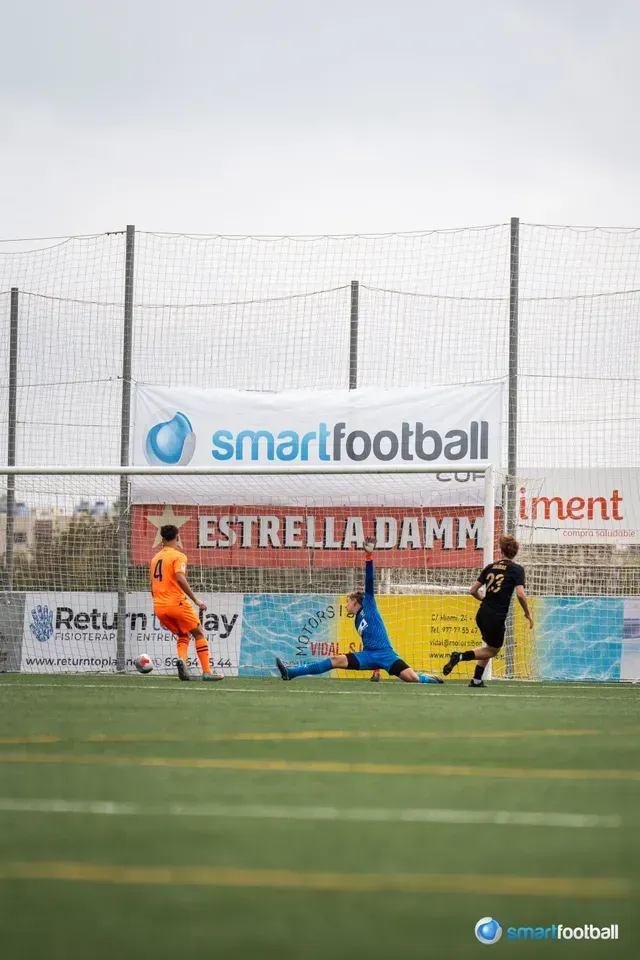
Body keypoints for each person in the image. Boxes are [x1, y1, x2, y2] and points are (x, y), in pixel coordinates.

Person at [276, 540, 443, 684]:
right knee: (335, 660)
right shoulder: (356, 620)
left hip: (385, 654)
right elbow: (370, 639)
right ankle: (291, 673)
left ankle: (428, 679)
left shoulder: (369, 604)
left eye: (348, 601)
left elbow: (369, 580)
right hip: (368, 655)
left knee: (412, 679)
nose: (346, 604)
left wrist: (368, 556)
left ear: (356, 601)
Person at [442, 533, 533, 688]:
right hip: (496, 616)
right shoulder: (517, 570)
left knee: (488, 647)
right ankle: (460, 656)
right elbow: (520, 594)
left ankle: (477, 679)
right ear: (515, 552)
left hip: (482, 613)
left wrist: (486, 600)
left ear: (501, 550)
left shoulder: (490, 567)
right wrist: (527, 613)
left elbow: (472, 590)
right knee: (493, 651)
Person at [150, 524, 223, 682]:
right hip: (177, 603)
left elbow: (152, 586)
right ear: (178, 537)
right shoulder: (178, 556)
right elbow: (180, 577)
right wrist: (196, 600)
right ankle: (207, 672)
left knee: (183, 634)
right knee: (199, 633)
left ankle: (182, 661)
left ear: (162, 539)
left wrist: (160, 611)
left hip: (159, 606)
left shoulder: (155, 559)